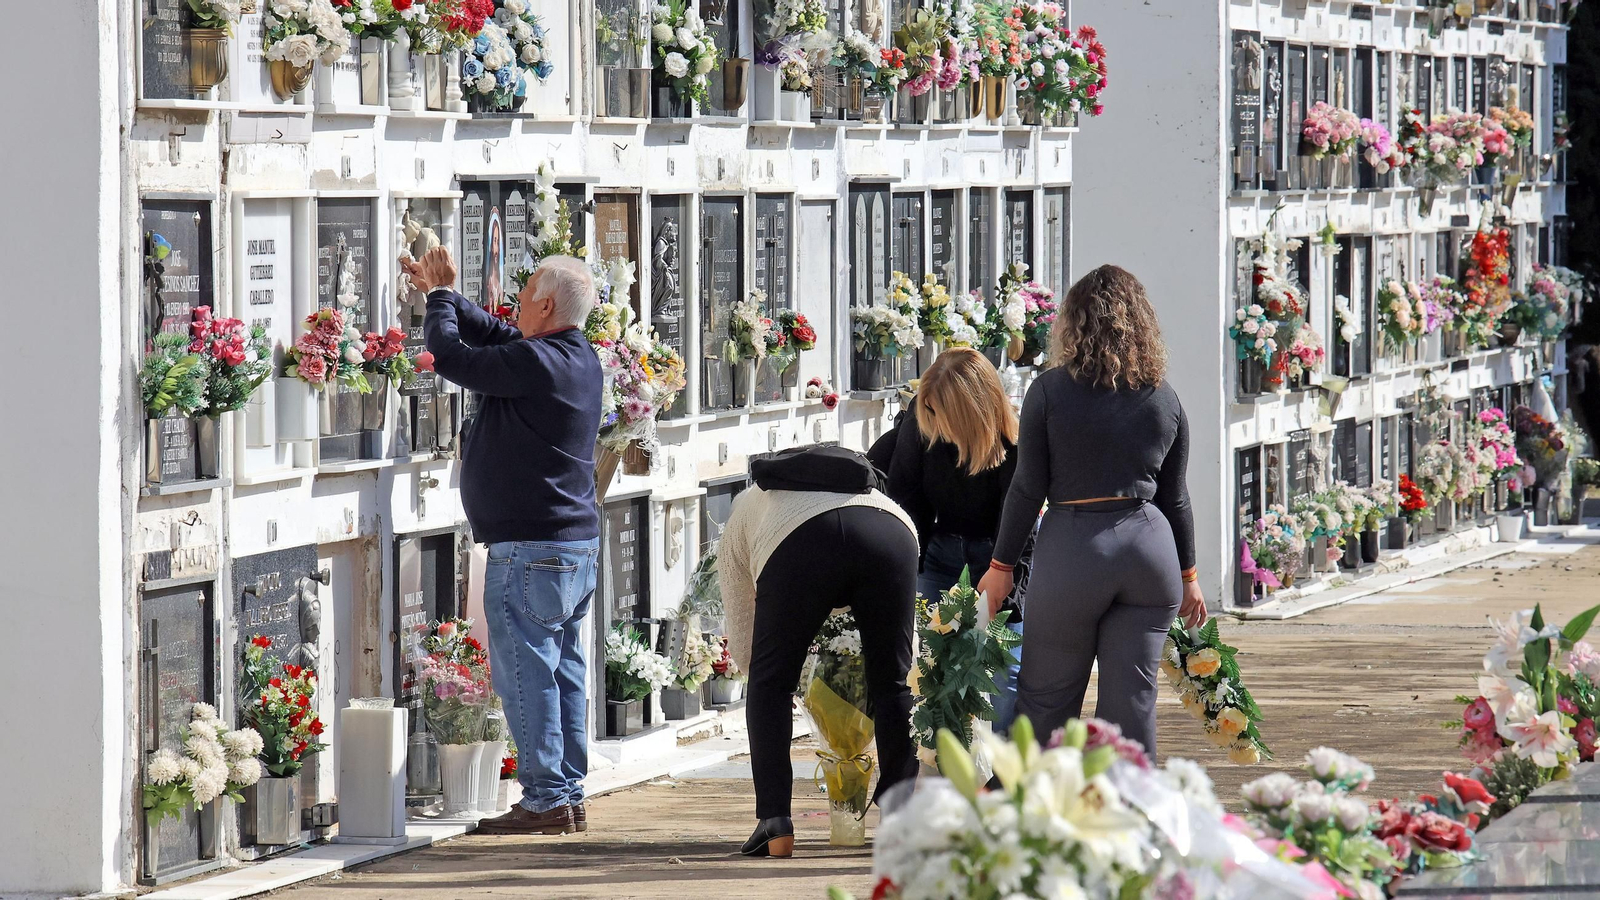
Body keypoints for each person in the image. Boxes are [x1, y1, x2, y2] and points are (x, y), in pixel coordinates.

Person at [405, 246, 603, 836]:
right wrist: (443, 293)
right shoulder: (576, 356)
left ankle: (544, 799)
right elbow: (492, 331)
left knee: (526, 672)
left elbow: (454, 357)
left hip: (530, 550)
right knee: (563, 671)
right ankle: (566, 792)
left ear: (545, 304)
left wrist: (440, 299)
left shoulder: (538, 363)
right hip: (569, 547)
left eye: (523, 298)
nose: (514, 307)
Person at [977, 264, 1208, 758]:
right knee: (1132, 706)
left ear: (1072, 323)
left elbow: (1026, 488)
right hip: (1150, 550)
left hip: (1075, 549)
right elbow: (1176, 497)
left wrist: (1001, 567)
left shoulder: (1049, 391)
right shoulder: (1164, 397)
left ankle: (1035, 818)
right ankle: (1131, 820)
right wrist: (1189, 574)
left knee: (1047, 700)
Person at [718, 446, 920, 858]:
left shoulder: (746, 510)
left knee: (771, 684)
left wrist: (758, 671)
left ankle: (775, 821)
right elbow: (905, 661)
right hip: (893, 532)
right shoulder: (872, 494)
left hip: (798, 543)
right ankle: (900, 814)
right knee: (893, 683)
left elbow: (745, 634)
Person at [886, 348, 1024, 730]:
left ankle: (998, 776)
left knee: (1002, 673)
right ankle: (946, 770)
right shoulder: (922, 420)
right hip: (940, 552)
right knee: (934, 671)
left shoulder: (1013, 448)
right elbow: (904, 499)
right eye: (926, 410)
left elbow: (1017, 522)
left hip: (1001, 557)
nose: (929, 419)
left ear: (969, 411)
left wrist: (1005, 576)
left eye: (937, 411)